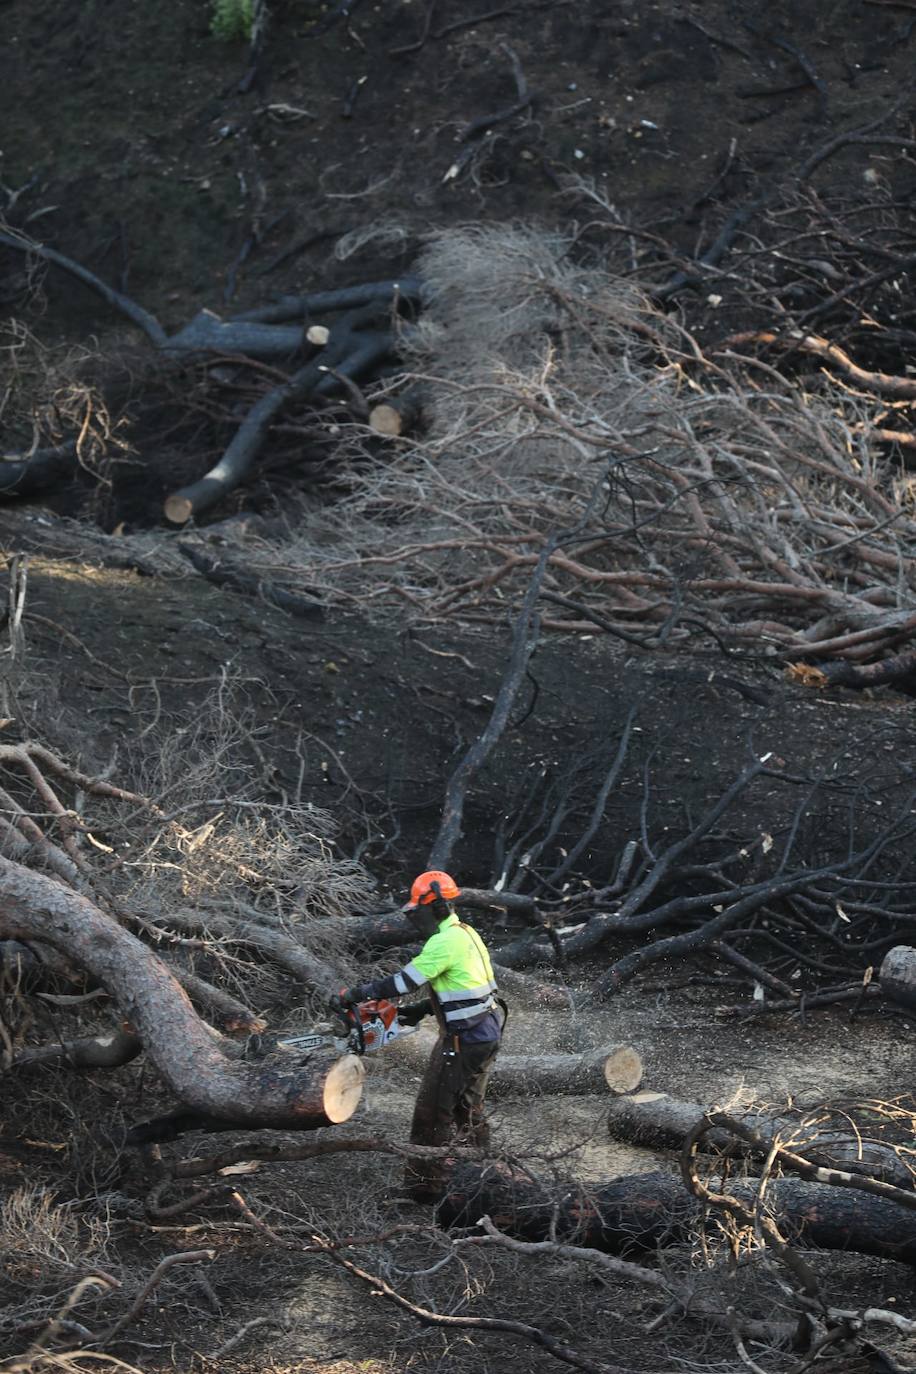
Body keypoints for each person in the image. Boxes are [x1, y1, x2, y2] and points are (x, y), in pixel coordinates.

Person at [335, 869, 504, 1199]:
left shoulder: (443, 943)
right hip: (486, 1032)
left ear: (434, 907)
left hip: (462, 1039)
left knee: (431, 1113)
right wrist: (425, 1009)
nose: (415, 918)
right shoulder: (466, 933)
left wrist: (353, 994)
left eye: (418, 910)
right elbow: (466, 987)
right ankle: (484, 1178)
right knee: (469, 1109)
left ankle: (424, 1188)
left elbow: (400, 983)